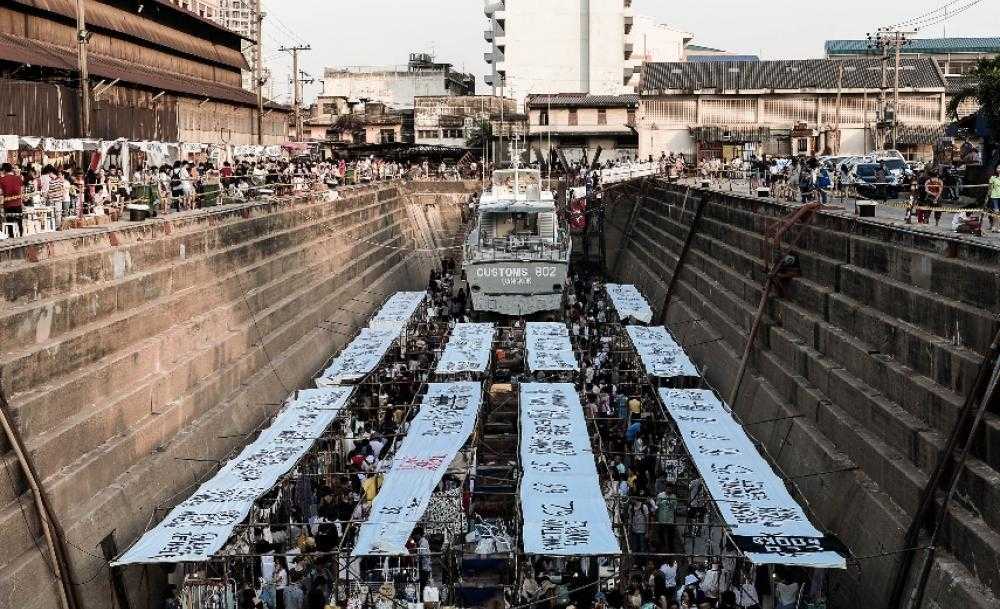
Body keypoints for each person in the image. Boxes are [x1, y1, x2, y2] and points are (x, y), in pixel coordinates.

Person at [1, 163, 23, 234]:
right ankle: (21, 235)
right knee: (19, 222)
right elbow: (21, 191)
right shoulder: (18, 178)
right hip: (18, 205)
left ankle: (11, 236)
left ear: (4, 170)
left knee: (10, 223)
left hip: (8, 205)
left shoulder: (2, 179)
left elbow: (0, 192)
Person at [988, 166, 1000, 232]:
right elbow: (990, 188)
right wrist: (988, 196)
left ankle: (997, 227)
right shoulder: (992, 178)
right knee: (996, 212)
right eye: (998, 168)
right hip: (995, 196)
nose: (999, 169)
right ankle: (994, 227)